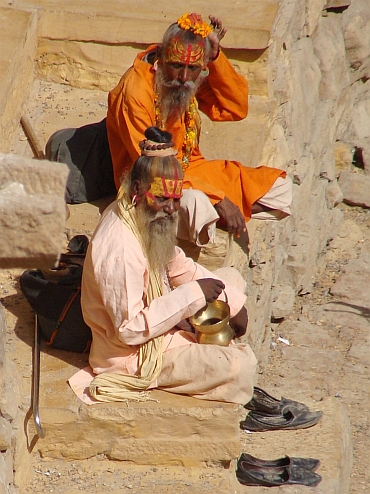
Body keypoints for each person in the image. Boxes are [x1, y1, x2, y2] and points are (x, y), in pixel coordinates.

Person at [69, 126, 257, 405]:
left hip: (161, 323)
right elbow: (129, 330)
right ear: (137, 190)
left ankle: (209, 344)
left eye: (175, 200)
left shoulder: (143, 214)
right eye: (161, 199)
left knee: (231, 281)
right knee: (239, 366)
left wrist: (234, 303)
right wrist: (193, 296)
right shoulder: (119, 247)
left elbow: (176, 265)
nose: (170, 210)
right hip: (132, 355)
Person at [106, 12, 293, 245]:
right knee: (197, 203)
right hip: (154, 183)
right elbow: (153, 168)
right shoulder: (135, 91)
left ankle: (214, 217)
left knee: (280, 189)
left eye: (193, 68)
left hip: (193, 170)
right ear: (162, 58)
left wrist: (216, 57)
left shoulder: (186, 82)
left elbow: (235, 108)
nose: (184, 77)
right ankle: (211, 217)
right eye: (176, 66)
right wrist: (218, 199)